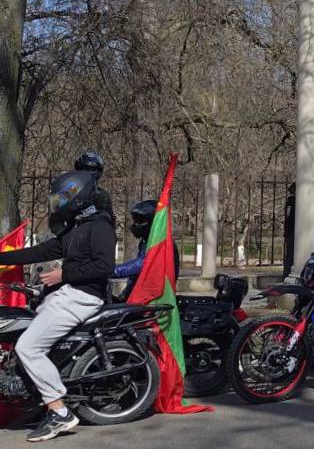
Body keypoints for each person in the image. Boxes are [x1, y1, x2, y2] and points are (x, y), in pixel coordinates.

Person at [0, 171, 115, 441]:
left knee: (28, 347)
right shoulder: (77, 227)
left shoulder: (100, 227)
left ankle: (60, 412)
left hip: (83, 296)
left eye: (62, 198)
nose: (57, 203)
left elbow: (104, 266)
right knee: (21, 327)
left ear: (78, 197)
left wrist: (64, 275)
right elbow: (43, 251)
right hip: (66, 294)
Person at [113, 200, 180, 302]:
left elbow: (144, 263)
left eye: (140, 221)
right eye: (135, 221)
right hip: (142, 294)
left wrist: (114, 270)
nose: (135, 225)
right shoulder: (147, 240)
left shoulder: (160, 243)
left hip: (153, 298)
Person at [74, 151, 114, 223]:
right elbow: (54, 204)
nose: (88, 172)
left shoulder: (103, 195)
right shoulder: (70, 190)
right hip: (71, 227)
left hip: (94, 228)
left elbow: (110, 221)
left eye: (92, 169)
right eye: (85, 168)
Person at [282, 183, 295, 279]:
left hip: (289, 231)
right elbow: (290, 217)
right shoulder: (292, 202)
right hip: (291, 232)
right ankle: (286, 274)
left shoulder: (290, 202)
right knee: (290, 255)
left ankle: (286, 273)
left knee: (290, 255)